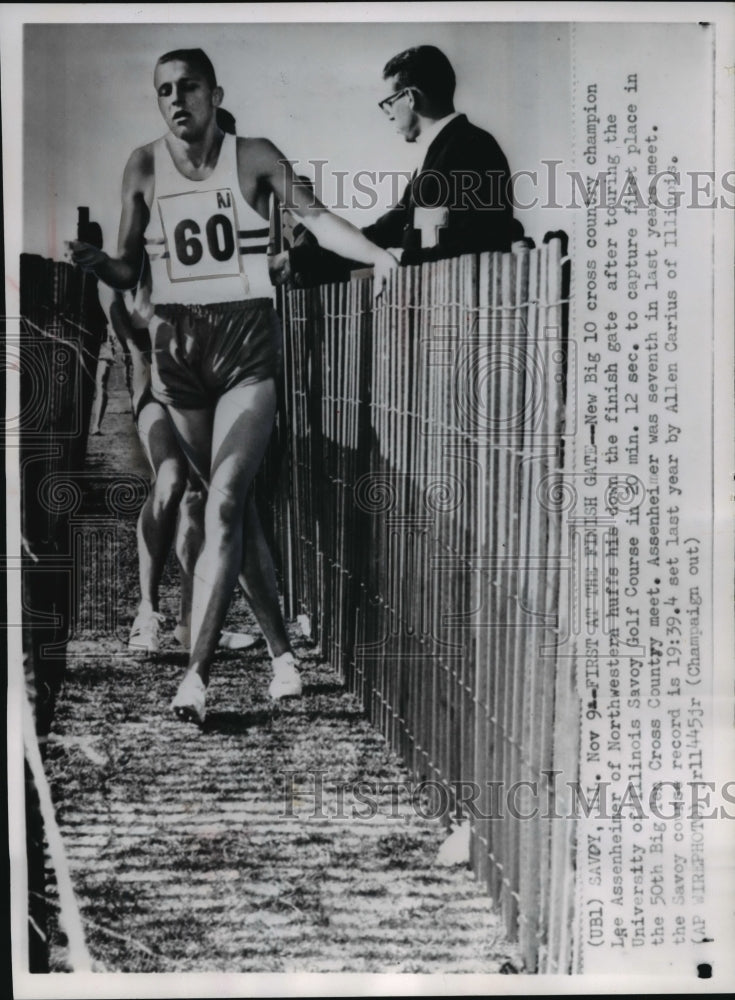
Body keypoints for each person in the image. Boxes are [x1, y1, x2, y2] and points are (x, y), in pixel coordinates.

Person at [71, 48, 398, 725]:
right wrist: (100, 261)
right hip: (178, 358)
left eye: (188, 86)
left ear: (215, 94)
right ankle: (282, 658)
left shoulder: (254, 156)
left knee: (223, 502)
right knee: (234, 511)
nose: (176, 99)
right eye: (164, 90)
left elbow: (315, 218)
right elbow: (129, 268)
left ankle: (196, 678)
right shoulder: (142, 164)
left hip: (246, 350)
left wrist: (378, 255)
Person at [279, 45, 524, 286]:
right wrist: (298, 261)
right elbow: (382, 234)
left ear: (410, 97)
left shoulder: (473, 147)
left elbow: (481, 247)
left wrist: (402, 258)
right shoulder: (438, 155)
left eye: (388, 103)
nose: (388, 114)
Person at [100, 280, 255, 656]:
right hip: (152, 371)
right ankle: (147, 612)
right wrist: (133, 347)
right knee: (170, 478)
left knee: (198, 490)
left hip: (198, 368)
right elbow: (109, 288)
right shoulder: (136, 249)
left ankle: (191, 622)